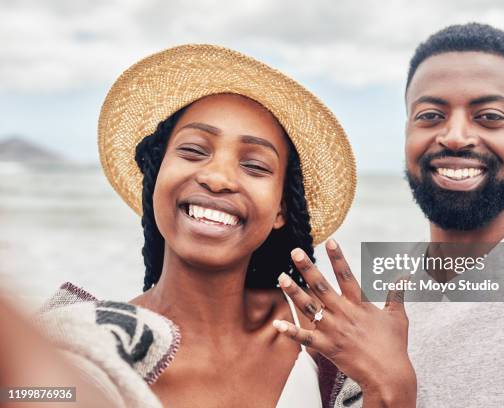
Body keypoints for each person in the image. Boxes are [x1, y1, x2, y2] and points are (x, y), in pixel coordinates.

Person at [36, 44, 415, 407]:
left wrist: (394, 385)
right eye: (194, 150)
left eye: (254, 166)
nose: (217, 178)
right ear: (155, 177)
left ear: (282, 209)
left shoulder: (327, 346)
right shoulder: (81, 344)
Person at [329, 23, 504, 407]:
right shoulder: (382, 307)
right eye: (430, 115)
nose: (456, 136)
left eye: (489, 116)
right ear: (407, 131)